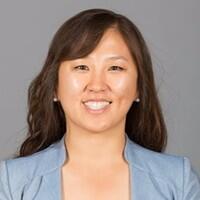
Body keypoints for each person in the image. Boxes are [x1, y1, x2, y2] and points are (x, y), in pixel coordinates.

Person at [0, 8, 200, 200]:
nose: (97, 85)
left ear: (139, 86)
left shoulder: (178, 181)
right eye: (81, 67)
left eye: (115, 68)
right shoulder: (13, 183)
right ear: (54, 87)